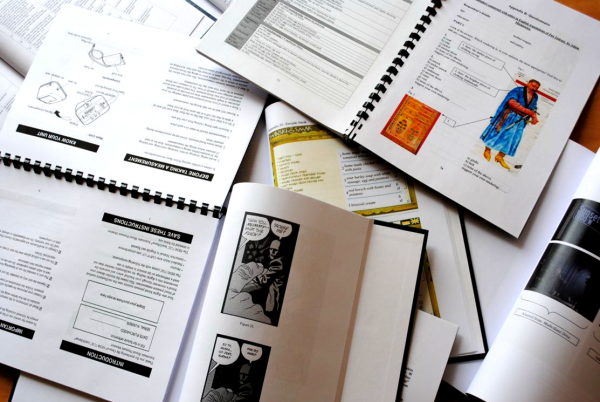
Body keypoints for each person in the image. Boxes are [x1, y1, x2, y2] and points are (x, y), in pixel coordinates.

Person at [480, 79, 540, 170]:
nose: (534, 88)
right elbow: (512, 102)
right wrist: (530, 113)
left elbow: (534, 107)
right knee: (497, 133)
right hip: (509, 116)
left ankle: (500, 157)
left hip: (520, 120)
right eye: (533, 86)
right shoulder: (518, 90)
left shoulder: (535, 96)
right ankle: (487, 150)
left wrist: (534, 115)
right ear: (528, 84)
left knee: (514, 139)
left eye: (536, 87)